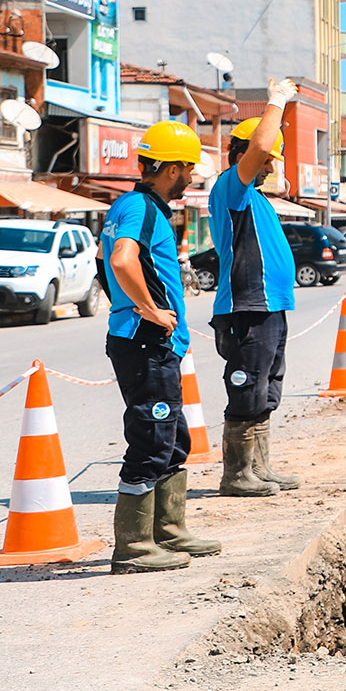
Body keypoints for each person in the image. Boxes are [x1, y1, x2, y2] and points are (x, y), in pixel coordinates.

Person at [102, 120, 222, 574]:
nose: (190, 179)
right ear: (171, 168)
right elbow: (120, 259)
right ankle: (133, 547)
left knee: (172, 438)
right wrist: (149, 311)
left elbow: (102, 263)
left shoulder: (126, 206)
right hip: (145, 341)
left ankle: (167, 532)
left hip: (146, 341)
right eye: (188, 170)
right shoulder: (142, 209)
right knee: (152, 439)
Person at [210, 78, 300, 498]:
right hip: (248, 305)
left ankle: (259, 467)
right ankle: (237, 473)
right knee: (247, 386)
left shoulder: (256, 196)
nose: (269, 166)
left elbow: (267, 156)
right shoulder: (233, 185)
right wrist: (277, 100)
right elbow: (260, 148)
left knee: (267, 385)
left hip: (270, 306)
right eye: (266, 161)